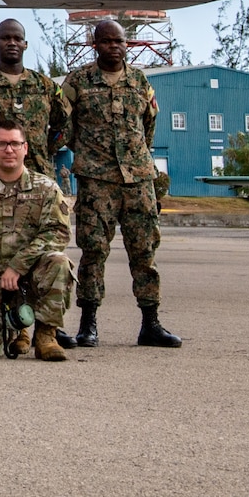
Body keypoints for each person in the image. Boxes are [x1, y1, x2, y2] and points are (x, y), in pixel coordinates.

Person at [60, 18, 181, 348]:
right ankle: (88, 325)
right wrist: (88, 155)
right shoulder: (78, 81)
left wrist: (136, 157)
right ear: (95, 44)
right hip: (97, 181)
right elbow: (63, 126)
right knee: (93, 252)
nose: (115, 47)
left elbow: (149, 125)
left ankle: (151, 323)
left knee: (145, 252)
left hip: (138, 180)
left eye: (121, 42)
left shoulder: (140, 80)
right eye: (108, 41)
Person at [0, 123, 71, 361]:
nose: (9, 150)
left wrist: (19, 264)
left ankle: (45, 335)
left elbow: (57, 233)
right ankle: (18, 331)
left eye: (15, 144)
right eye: (2, 144)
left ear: (25, 148)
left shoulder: (46, 189)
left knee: (59, 262)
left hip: (31, 276)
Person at [0, 18, 69, 182]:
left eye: (17, 39)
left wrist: (45, 147)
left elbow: (64, 124)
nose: (12, 43)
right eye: (5, 38)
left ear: (25, 44)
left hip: (37, 173)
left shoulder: (45, 85)